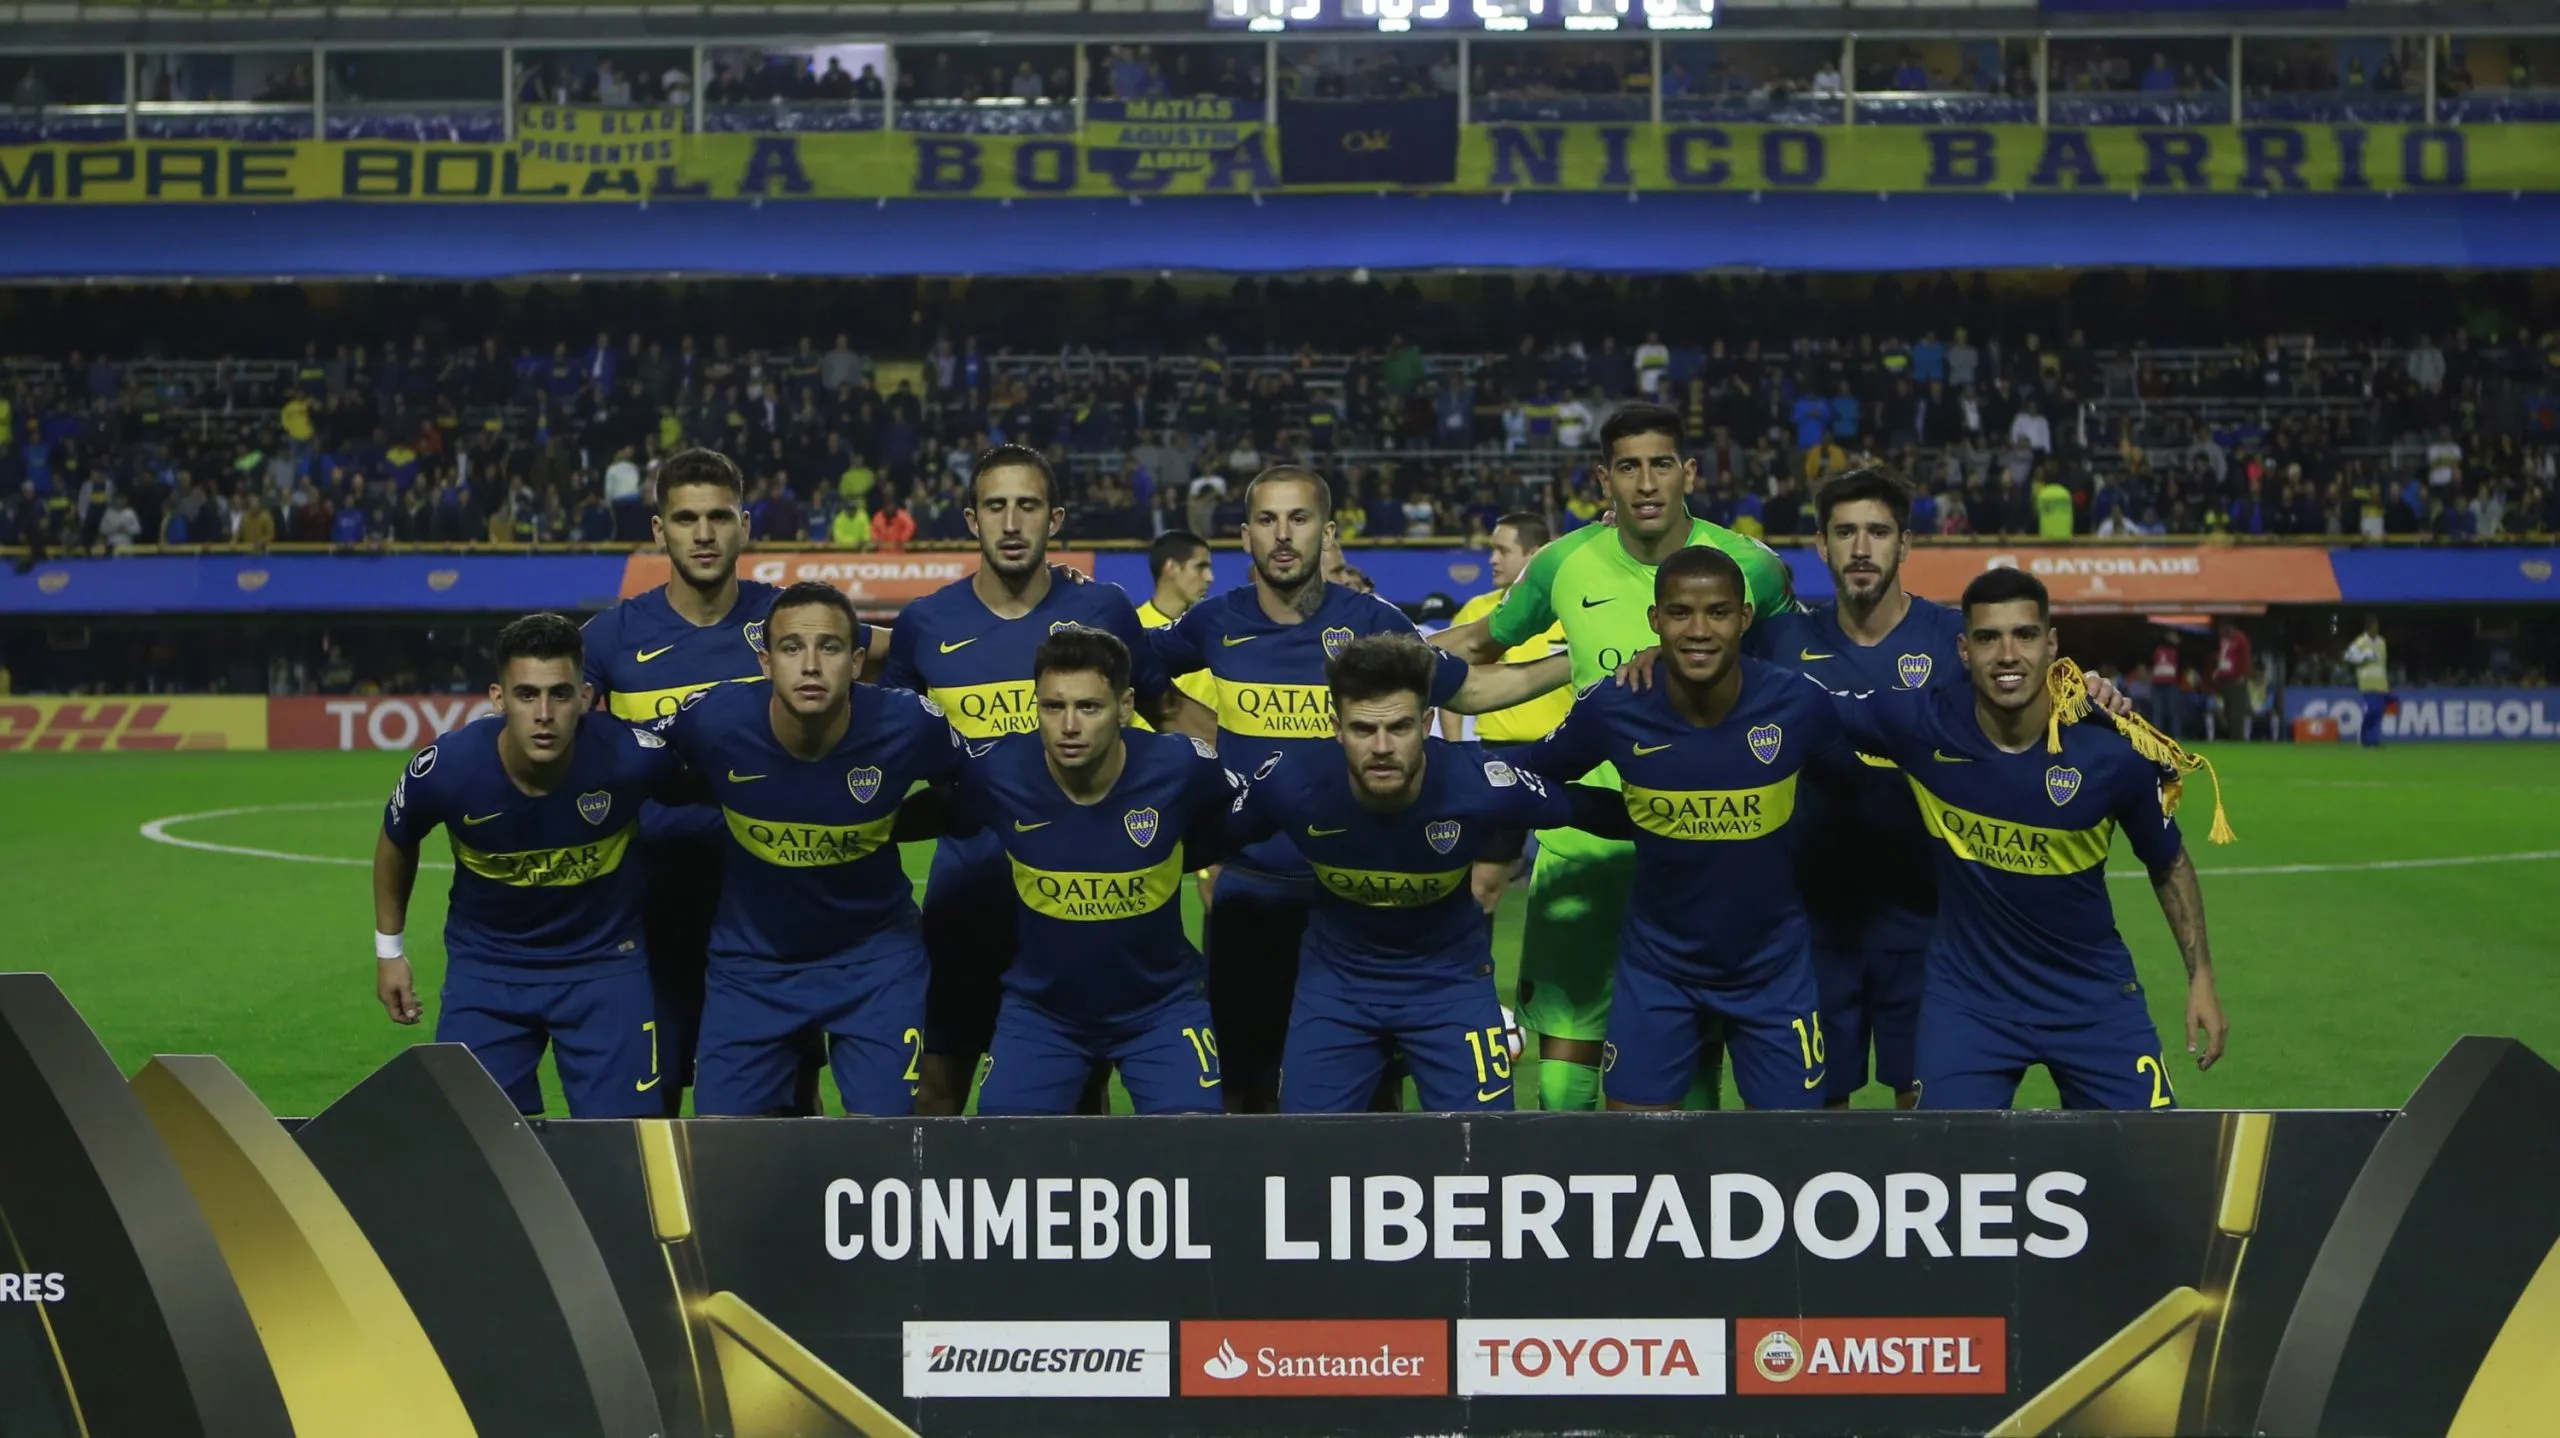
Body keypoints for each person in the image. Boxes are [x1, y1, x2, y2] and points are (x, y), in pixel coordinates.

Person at [1151, 464, 1572, 1112]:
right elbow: (1131, 671)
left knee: (1373, 1096)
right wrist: (1197, 731)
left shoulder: (1375, 624)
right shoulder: (1214, 623)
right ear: (1245, 535)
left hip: (1353, 896)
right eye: (1267, 520)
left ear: (1327, 531)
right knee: (1244, 1086)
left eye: (1299, 519)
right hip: (1252, 890)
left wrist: (1592, 652)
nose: (1283, 535)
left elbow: (1474, 687)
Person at [1430, 402, 1796, 1114]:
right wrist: (1380, 655)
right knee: (1564, 1071)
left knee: (1691, 1062)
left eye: (1662, 463)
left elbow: (1799, 677)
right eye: (1628, 466)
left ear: (1688, 470)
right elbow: (1484, 646)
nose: (1647, 482)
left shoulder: (1751, 567)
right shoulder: (1562, 563)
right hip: (1582, 848)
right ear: (1604, 479)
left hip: (1704, 848)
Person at [1830, 567, 2232, 1110]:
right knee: (1943, 1169)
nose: (2007, 654)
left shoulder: (2111, 749)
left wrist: (2201, 977)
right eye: (1988, 637)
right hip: (1970, 1004)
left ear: (2052, 644)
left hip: (2090, 999)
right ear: (1964, 650)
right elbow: (1798, 700)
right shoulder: (1921, 724)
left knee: (2153, 1160)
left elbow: (2169, 863)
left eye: (2024, 634)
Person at [881, 444, 1202, 1115]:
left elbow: (1166, 710)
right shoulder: (925, 624)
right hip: (969, 891)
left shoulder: (1104, 611)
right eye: (995, 506)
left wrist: (1277, 770)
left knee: (1082, 1083)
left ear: (1054, 519)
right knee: (939, 1084)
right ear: (971, 519)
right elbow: (890, 751)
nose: (1011, 522)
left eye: (1027, 506)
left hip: (1080, 899)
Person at [580, 447, 877, 1115]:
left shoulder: (791, 623)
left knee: (789, 1099)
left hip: (775, 902)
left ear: (744, 525)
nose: (704, 534)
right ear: (660, 532)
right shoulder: (610, 638)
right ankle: (666, 1223)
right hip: (656, 903)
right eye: (686, 519)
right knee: (651, 1095)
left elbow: (901, 646)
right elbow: (547, 714)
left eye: (719, 517)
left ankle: (787, 1218)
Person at [1515, 548, 1845, 1111]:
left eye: (1717, 613)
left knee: (1796, 1154)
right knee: (1636, 1150)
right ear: (1655, 620)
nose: (1698, 630)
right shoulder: (1615, 705)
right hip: (1658, 970)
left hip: (1773, 969)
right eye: (1680, 613)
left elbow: (1853, 791)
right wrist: (1619, 815)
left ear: (1744, 618)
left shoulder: (1797, 704)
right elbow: (1530, 776)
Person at [1224, 634, 1610, 1113]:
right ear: (1336, 728)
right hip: (1336, 990)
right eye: (1364, 729)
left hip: (1450, 987)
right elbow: (1206, 836)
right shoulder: (1290, 783)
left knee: (1486, 1151)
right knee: (1309, 1151)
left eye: (1400, 727)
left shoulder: (1478, 785)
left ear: (1427, 723)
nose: (1382, 747)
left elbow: (1591, 808)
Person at [648, 583, 961, 1116]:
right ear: (766, 663)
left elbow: (971, 788)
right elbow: (625, 763)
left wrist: (892, 825)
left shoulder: (909, 723)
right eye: (792, 648)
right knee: (722, 1148)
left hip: (875, 964)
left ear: (858, 661)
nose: (811, 665)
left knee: (887, 1137)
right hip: (751, 966)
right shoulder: (714, 719)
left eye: (830, 648)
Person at [371, 613, 675, 1118]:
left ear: (584, 697)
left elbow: (712, 782)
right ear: (497, 699)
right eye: (526, 695)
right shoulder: (447, 770)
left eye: (559, 694)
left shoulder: (632, 756)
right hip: (488, 972)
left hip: (605, 967)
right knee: (474, 1140)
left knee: (626, 1143)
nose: (544, 713)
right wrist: (389, 952)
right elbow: (396, 839)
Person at [1746, 469, 1967, 1109]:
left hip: (1926, 920)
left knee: (1926, 1113)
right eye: (1845, 532)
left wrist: (2091, 685)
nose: (1861, 548)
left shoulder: (1954, 641)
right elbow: (1699, 671)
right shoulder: (1778, 643)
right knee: (1820, 1115)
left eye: (1877, 532)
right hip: (1813, 923)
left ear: (1905, 544)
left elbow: (2027, 692)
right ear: (1821, 546)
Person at [950, 629, 1233, 1115]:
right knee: (1003, 1149)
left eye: (1088, 707)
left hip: (1161, 1009)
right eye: (1053, 707)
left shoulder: (1181, 766)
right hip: (1042, 1013)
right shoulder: (996, 771)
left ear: (1124, 706)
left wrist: (1203, 862)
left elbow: (1240, 815)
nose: (1068, 726)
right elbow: (930, 813)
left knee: (1196, 1151)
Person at [1438, 512, 1571, 921]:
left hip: (1569, 761)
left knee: (1571, 880)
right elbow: (1448, 687)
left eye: (1501, 550)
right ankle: (1478, 978)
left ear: (1534, 556)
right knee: (1482, 885)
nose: (1491, 559)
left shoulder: (1571, 609)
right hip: (1497, 758)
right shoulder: (1477, 613)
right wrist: (1457, 747)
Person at [1137, 529, 1224, 908]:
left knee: (1219, 893)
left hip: (1207, 795)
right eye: (1201, 566)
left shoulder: (1211, 634)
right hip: (1145, 796)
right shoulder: (1131, 632)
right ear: (1171, 568)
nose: (1210, 577)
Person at [2345, 617, 2390, 748]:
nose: (2376, 629)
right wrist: (2364, 656)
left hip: (2381, 683)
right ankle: (2363, 735)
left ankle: (2374, 741)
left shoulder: (2382, 642)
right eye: (2374, 627)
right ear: (2368, 628)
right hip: (2367, 682)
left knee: (2379, 713)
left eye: (2377, 627)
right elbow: (2348, 656)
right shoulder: (2360, 642)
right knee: (2372, 710)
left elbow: (2383, 663)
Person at [2212, 620, 2256, 742]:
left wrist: (2242, 675)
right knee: (2226, 712)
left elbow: (2246, 658)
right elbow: (2223, 659)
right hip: (2224, 680)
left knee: (2237, 712)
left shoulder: (2240, 639)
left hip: (2237, 680)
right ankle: (2228, 737)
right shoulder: (2223, 640)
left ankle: (2237, 739)